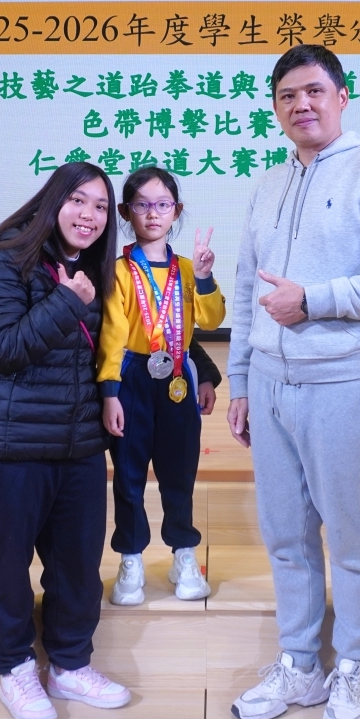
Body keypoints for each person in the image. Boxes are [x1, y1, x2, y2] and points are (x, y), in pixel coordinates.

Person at [226, 45, 360, 719]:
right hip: (270, 388)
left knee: (351, 539)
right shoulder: (268, 183)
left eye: (314, 90)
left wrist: (315, 299)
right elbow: (248, 288)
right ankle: (300, 664)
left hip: (342, 383)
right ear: (275, 107)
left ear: (342, 96)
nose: (301, 104)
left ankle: (353, 666)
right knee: (285, 537)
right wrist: (241, 380)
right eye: (287, 95)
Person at [0, 162, 131, 719]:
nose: (90, 215)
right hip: (12, 446)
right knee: (9, 563)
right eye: (78, 201)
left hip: (78, 445)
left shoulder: (94, 270)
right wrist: (66, 302)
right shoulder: (5, 262)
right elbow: (2, 349)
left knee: (78, 564)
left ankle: (70, 664)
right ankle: (14, 667)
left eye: (101, 207)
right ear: (52, 202)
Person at [98, 167, 226, 605]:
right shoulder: (118, 271)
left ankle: (183, 553)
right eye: (142, 204)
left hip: (177, 380)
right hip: (132, 377)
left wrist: (205, 277)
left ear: (177, 210)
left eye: (163, 204)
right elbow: (112, 335)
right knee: (128, 475)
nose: (153, 213)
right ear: (125, 212)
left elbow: (210, 320)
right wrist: (110, 392)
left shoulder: (187, 269)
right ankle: (131, 557)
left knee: (179, 471)